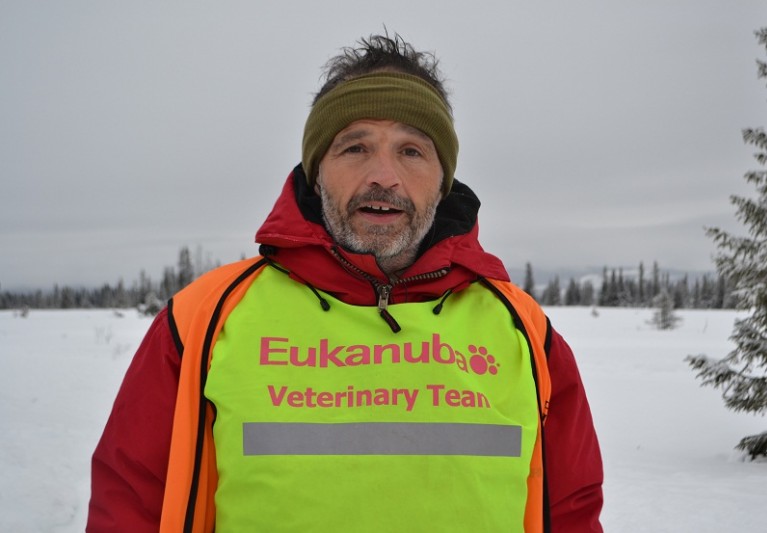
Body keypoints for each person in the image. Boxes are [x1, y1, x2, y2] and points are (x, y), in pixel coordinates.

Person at [87, 33, 603, 532]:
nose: (384, 175)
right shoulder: (205, 317)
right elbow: (132, 502)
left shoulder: (522, 330)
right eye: (355, 148)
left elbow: (570, 509)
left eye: (412, 151)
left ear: (443, 181)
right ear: (317, 172)